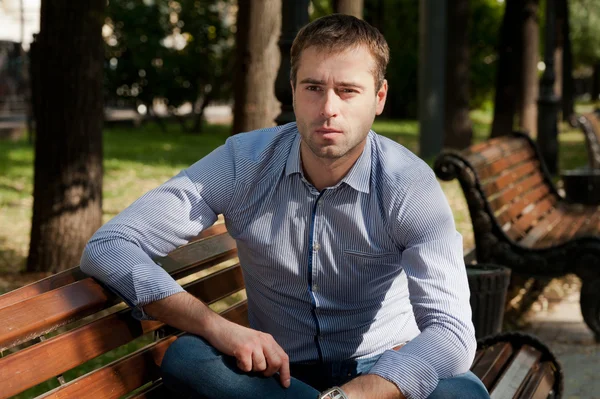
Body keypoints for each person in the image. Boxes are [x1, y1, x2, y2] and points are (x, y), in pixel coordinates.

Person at [81, 14, 490, 399]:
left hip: (381, 369)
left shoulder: (407, 183)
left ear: (378, 98)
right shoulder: (242, 163)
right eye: (313, 88)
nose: (329, 108)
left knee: (462, 393)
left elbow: (451, 333)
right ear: (293, 90)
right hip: (278, 373)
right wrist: (214, 325)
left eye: (348, 91)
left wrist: (359, 392)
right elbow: (110, 246)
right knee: (189, 358)